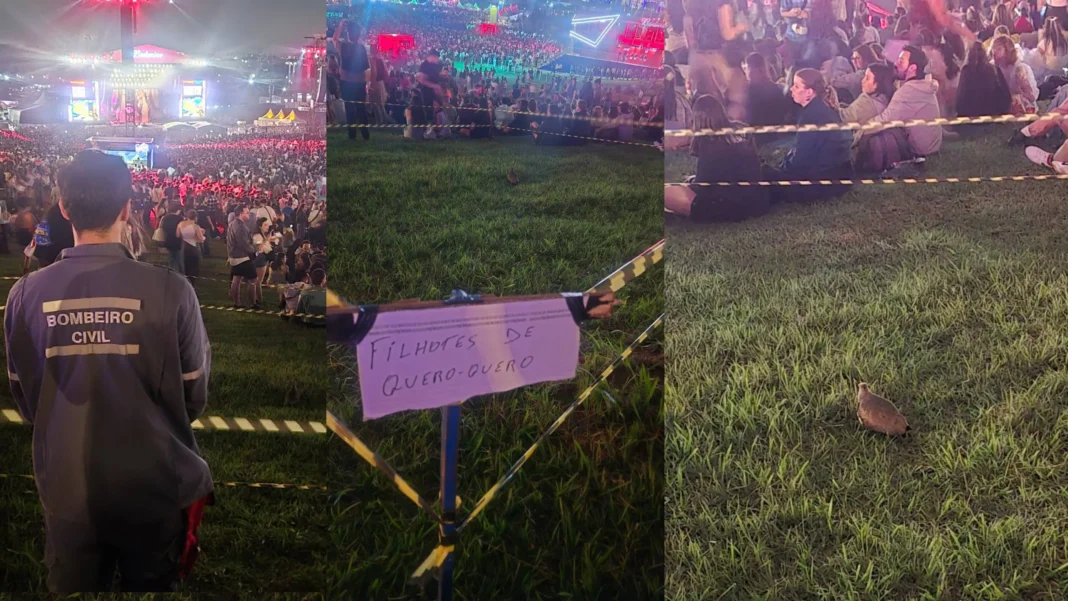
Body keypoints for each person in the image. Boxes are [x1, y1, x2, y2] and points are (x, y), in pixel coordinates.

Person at [4, 150, 212, 592]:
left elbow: (26, 398)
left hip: (67, 486)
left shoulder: (24, 295)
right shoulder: (172, 290)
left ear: (64, 208)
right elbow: (193, 395)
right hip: (154, 483)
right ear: (126, 208)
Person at [663, 95, 770, 222]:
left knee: (667, 192)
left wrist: (691, 184)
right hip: (756, 199)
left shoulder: (709, 144)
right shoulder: (741, 129)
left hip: (729, 207)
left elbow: (702, 186)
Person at [765, 69, 854, 200]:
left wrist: (784, 166)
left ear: (809, 92)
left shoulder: (810, 116)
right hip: (842, 176)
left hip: (823, 183)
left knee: (765, 175)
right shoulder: (826, 108)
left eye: (796, 86)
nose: (791, 89)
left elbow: (801, 161)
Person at [861, 45, 943, 157]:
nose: (895, 63)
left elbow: (884, 120)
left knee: (878, 136)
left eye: (901, 61)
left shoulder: (908, 91)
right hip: (932, 147)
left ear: (912, 68)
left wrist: (860, 130)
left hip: (920, 152)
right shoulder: (924, 84)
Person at [334, 19, 371, 141]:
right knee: (361, 109)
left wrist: (340, 26)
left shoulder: (343, 46)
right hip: (360, 82)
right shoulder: (362, 48)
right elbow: (365, 67)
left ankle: (352, 136)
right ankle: (365, 134)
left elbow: (335, 39)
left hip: (347, 82)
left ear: (348, 33)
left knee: (349, 109)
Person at [956, 41, 1012, 119]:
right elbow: (1006, 98)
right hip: (993, 117)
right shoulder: (994, 69)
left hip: (971, 118)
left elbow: (960, 100)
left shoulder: (966, 71)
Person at [991, 34, 1038, 114]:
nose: (994, 52)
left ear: (1008, 51)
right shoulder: (993, 67)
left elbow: (1031, 96)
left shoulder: (1019, 69)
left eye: (999, 49)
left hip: (1022, 105)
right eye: (993, 49)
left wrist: (1015, 98)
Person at [743, 52, 791, 126]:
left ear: (751, 68)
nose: (746, 72)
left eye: (746, 68)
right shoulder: (777, 89)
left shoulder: (748, 91)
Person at [226, 204, 258, 309]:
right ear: (240, 214)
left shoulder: (232, 224)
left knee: (236, 279)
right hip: (242, 257)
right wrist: (255, 249)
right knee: (252, 280)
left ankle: (237, 303)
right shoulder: (240, 227)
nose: (249, 214)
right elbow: (244, 244)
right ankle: (253, 303)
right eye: (247, 212)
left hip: (234, 256)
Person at [178, 209, 204, 290]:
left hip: (184, 247)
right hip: (193, 248)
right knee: (193, 267)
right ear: (195, 217)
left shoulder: (180, 224)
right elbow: (200, 239)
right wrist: (201, 233)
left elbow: (178, 235)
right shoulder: (195, 227)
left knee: (185, 266)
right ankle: (191, 285)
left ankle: (185, 283)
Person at [159, 201, 185, 274]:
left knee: (171, 258)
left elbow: (162, 228)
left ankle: (171, 273)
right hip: (178, 241)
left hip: (168, 240)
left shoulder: (165, 218)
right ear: (178, 210)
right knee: (179, 260)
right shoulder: (180, 219)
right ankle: (181, 274)